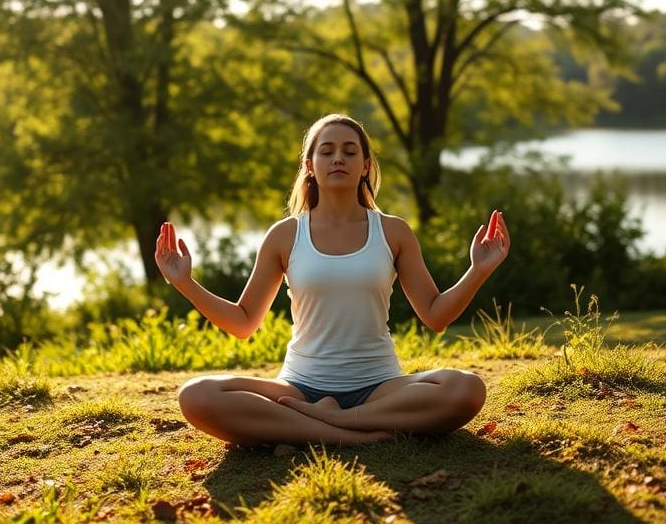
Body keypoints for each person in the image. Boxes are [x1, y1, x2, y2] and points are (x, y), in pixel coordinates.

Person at [155, 114, 510, 447]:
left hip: (379, 387)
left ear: (365, 165)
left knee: (465, 388)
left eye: (349, 151)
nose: (338, 158)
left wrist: (478, 270)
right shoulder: (285, 235)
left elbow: (435, 315)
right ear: (310, 165)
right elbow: (243, 322)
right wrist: (185, 283)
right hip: (299, 388)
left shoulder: (393, 231)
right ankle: (351, 435)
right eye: (326, 151)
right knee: (197, 395)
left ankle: (332, 422)